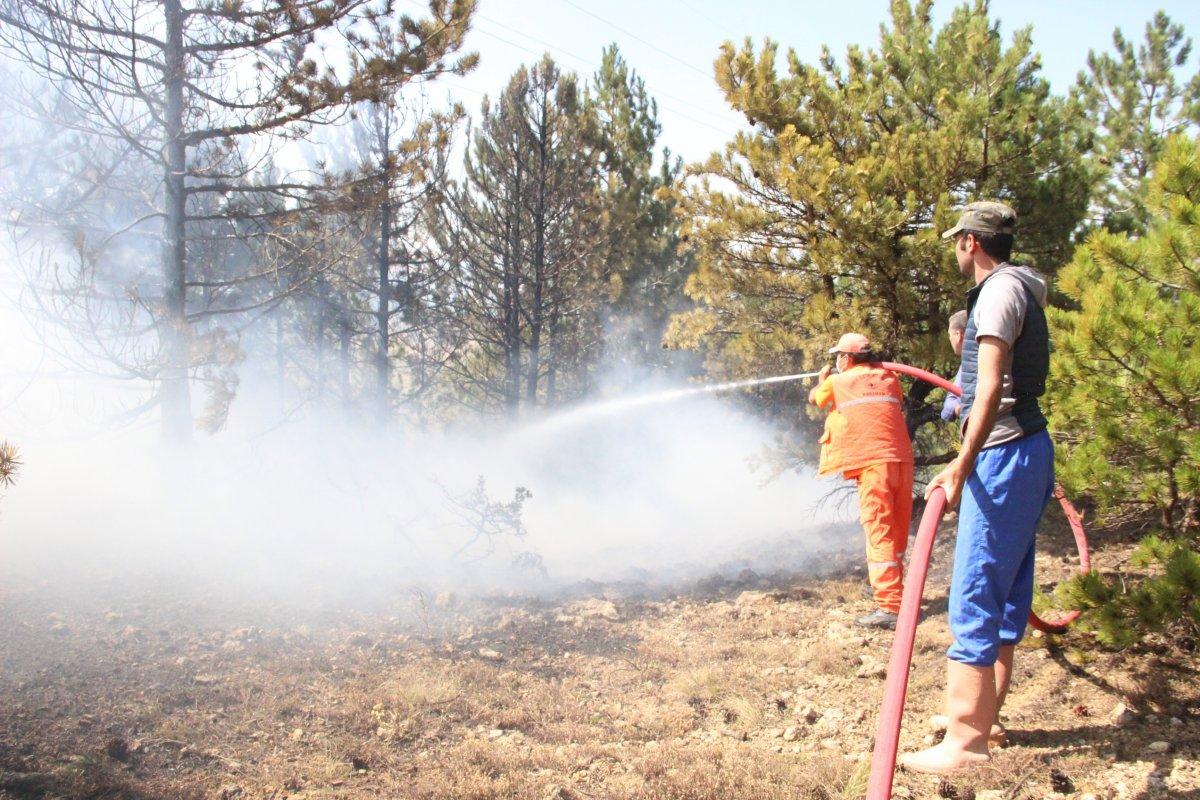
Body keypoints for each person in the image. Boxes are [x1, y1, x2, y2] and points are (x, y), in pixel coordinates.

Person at [902, 201, 1055, 774]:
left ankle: (965, 744)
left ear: (970, 242)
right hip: (1027, 449)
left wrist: (961, 466)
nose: (954, 249)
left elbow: (990, 388)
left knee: (974, 589)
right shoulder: (1023, 287)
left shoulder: (997, 293)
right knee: (1007, 587)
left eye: (956, 240)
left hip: (1004, 453)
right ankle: (983, 718)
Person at [809, 332, 914, 630]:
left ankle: (891, 607)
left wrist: (823, 378)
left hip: (873, 465)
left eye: (838, 356)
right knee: (896, 529)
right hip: (902, 461)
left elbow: (817, 398)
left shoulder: (838, 382)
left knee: (879, 531)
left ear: (846, 357)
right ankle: (893, 590)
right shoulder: (890, 378)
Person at [940, 310, 968, 421]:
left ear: (958, 335)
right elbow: (948, 408)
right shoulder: (964, 366)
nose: (950, 339)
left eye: (949, 335)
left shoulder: (971, 363)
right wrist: (960, 408)